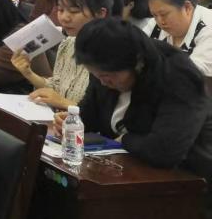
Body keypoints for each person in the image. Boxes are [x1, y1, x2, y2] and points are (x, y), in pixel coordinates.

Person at [53, 19, 212, 193]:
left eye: (107, 76)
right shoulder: (103, 66)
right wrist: (73, 122)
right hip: (123, 172)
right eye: (96, 75)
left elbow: (164, 151)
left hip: (185, 183)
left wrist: (124, 140)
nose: (103, 82)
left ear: (137, 63)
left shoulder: (178, 77)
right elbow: (91, 115)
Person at [11, 0, 112, 110]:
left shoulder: (111, 53)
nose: (64, 18)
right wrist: (28, 73)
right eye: (60, 10)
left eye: (74, 11)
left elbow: (106, 114)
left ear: (100, 13)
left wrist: (63, 103)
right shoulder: (68, 43)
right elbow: (56, 87)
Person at [149, 0, 212, 77]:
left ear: (187, 8)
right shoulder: (155, 24)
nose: (160, 21)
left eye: (164, 14)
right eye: (154, 15)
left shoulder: (208, 25)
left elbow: (195, 71)